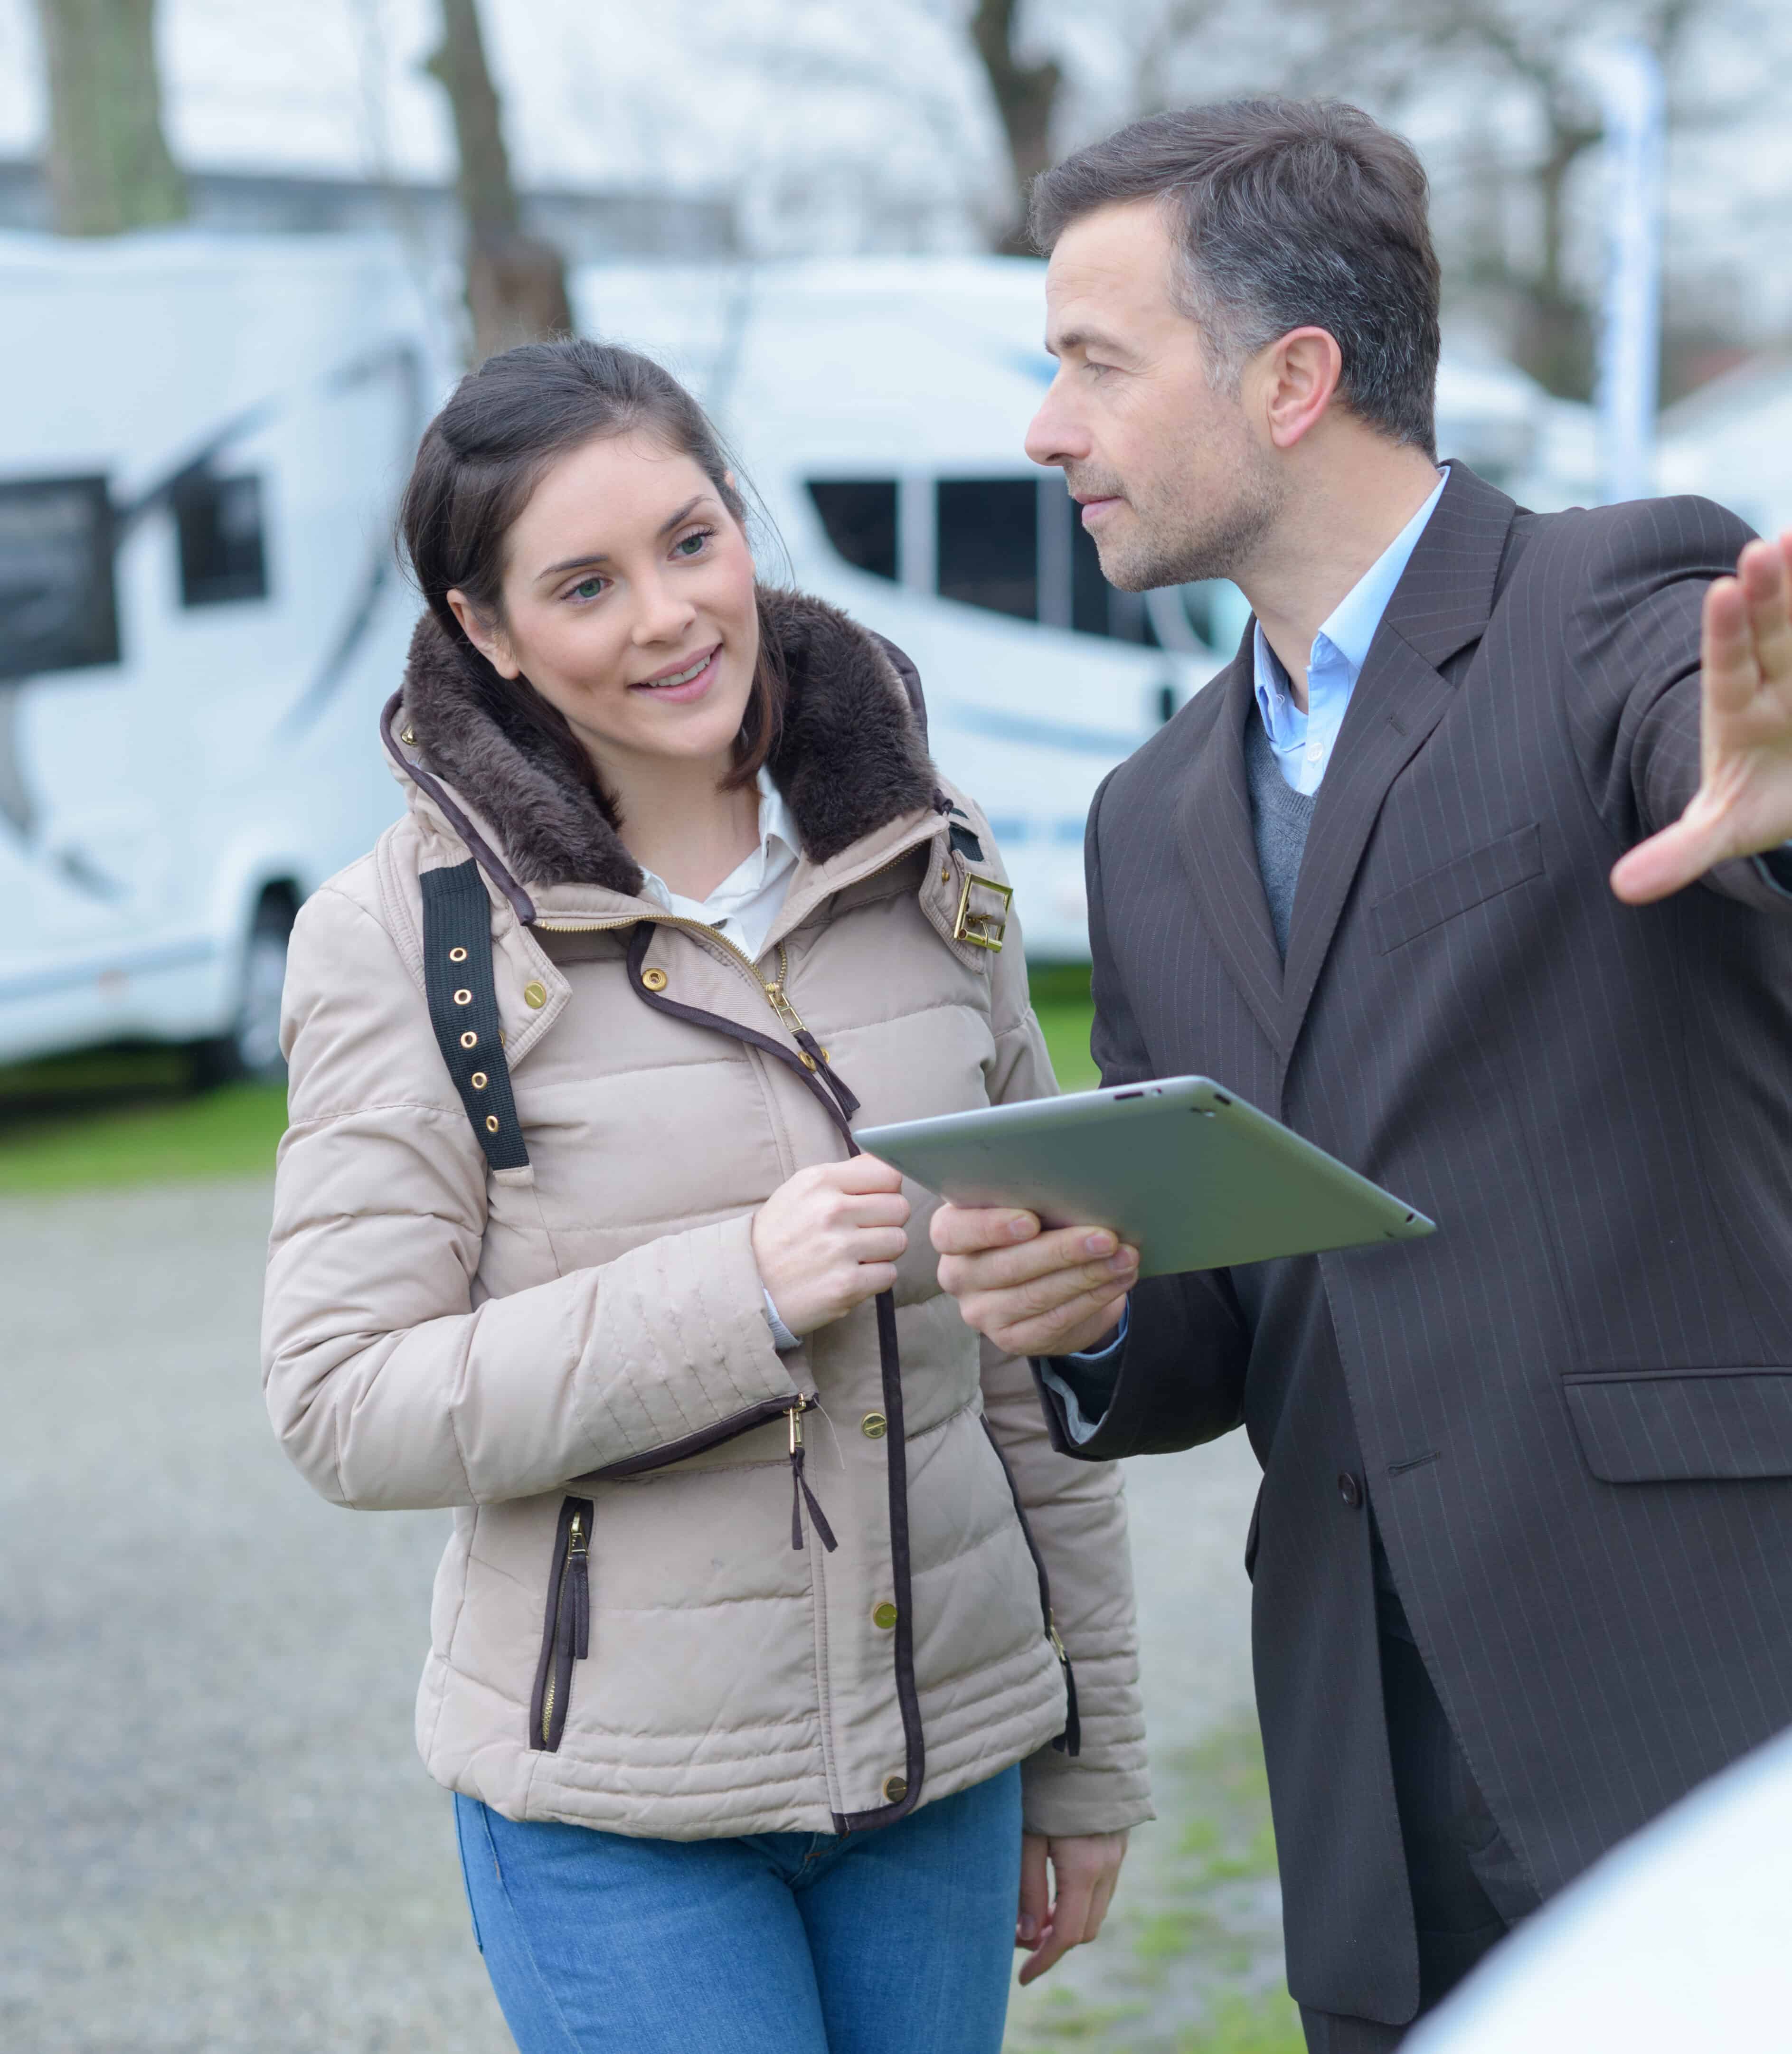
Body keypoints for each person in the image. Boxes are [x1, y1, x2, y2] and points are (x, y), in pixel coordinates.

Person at [929, 97, 1792, 2054]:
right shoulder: (1145, 819)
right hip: (1366, 1772)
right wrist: (1078, 1311)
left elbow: (1716, 760)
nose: (1044, 430)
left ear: (1292, 377)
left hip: (1689, 1695)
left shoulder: (1606, 603)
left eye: (1089, 363)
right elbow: (1210, 1329)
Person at [260, 339, 1146, 2054]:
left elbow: (1022, 1356)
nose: (668, 617)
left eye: (690, 541)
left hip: (941, 1777)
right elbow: (340, 1401)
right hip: (616, 1822)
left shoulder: (927, 858)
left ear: (742, 526)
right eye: (584, 585)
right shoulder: (402, 939)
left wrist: (1087, 1746)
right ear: (489, 634)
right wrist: (731, 1294)